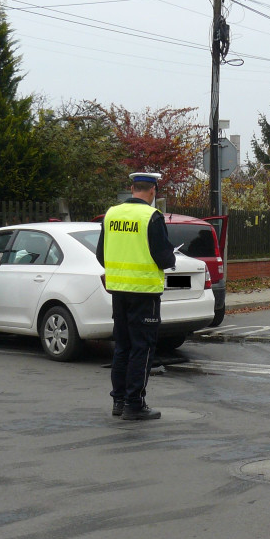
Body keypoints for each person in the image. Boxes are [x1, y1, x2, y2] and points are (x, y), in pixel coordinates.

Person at [97, 172, 176, 421]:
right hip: (144, 293)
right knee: (142, 348)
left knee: (122, 346)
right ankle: (134, 403)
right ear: (153, 192)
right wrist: (171, 257)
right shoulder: (152, 217)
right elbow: (164, 257)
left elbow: (101, 254)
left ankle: (119, 401)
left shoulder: (111, 214)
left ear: (132, 188)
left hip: (118, 291)